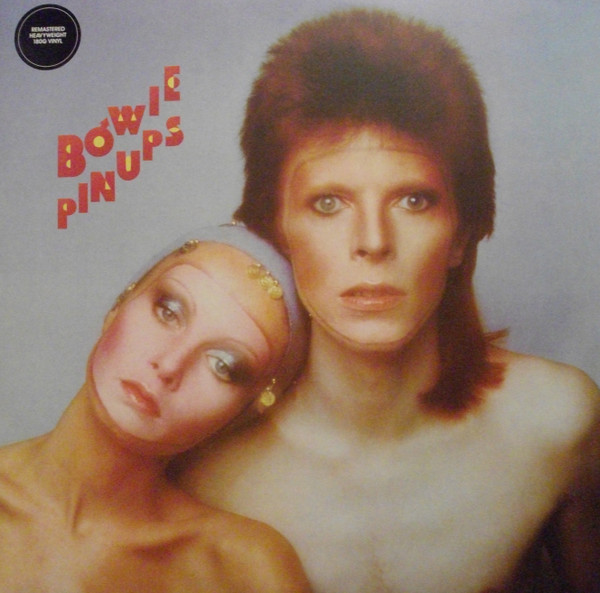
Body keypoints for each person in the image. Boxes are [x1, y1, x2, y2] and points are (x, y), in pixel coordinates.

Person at [173, 9, 600, 593]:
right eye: (328, 203)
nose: (373, 242)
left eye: (413, 201)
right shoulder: (203, 476)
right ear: (276, 233)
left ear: (462, 234)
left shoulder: (557, 422)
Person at [0, 224, 311, 592]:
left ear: (246, 411)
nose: (169, 365)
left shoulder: (242, 570)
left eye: (223, 365)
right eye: (168, 312)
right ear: (120, 304)